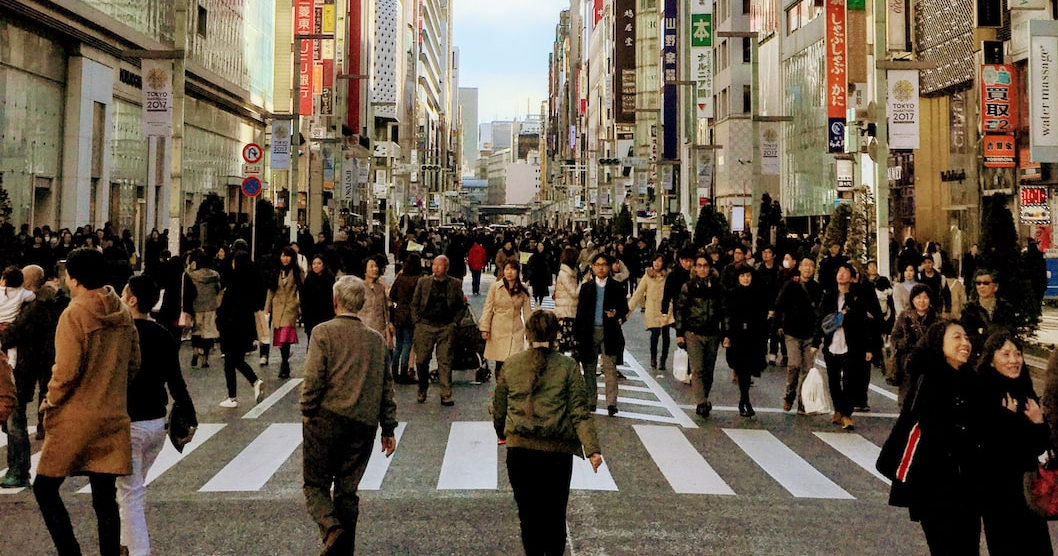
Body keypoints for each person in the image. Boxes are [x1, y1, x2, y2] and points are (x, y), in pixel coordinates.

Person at [34, 248, 141, 556]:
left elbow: (66, 371)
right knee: (104, 497)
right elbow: (134, 362)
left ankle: (70, 552)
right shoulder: (122, 312)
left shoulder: (74, 314)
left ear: (75, 279)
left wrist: (49, 402)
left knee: (45, 488)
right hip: (112, 413)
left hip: (76, 416)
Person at [300, 275, 398, 556]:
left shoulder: (323, 333)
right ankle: (344, 550)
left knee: (315, 484)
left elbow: (313, 379)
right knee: (347, 491)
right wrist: (388, 428)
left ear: (335, 302)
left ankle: (331, 528)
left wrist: (307, 409)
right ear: (361, 303)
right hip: (363, 424)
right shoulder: (376, 340)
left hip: (326, 419)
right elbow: (386, 387)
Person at [492, 310, 603, 556]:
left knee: (528, 515)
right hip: (556, 454)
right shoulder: (568, 367)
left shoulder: (512, 364)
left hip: (520, 450)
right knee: (555, 515)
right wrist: (592, 449)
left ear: (528, 334)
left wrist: (502, 432)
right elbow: (579, 412)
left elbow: (499, 407)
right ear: (556, 336)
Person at [118, 275, 197, 556]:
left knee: (129, 493)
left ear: (132, 300)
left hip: (129, 422)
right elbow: (176, 381)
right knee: (133, 489)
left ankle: (138, 550)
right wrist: (190, 416)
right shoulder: (163, 334)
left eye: (123, 294)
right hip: (156, 424)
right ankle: (126, 543)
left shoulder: (121, 334)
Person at [888, 321, 981, 555]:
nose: (965, 343)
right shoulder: (930, 378)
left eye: (966, 338)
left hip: (967, 485)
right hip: (934, 485)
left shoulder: (970, 378)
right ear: (939, 343)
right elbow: (920, 427)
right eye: (957, 337)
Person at [975, 331, 1053, 555]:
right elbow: (989, 447)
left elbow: (1041, 448)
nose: (1014, 360)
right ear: (991, 360)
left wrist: (1038, 422)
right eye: (1006, 354)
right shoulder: (981, 392)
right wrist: (1007, 418)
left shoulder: (1024, 390)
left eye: (1018, 354)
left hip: (1029, 491)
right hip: (998, 494)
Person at [0, 265, 68, 488]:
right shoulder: (56, 302)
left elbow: (13, 333)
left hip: (22, 368)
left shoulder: (34, 307)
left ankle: (18, 470)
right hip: (45, 363)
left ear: (28, 283)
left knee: (15, 420)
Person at [818, 262, 882, 431]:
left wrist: (869, 348)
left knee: (849, 381)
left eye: (845, 272)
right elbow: (821, 320)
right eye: (839, 271)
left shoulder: (857, 297)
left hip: (852, 345)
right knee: (833, 380)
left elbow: (865, 324)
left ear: (852, 277)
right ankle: (838, 409)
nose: (841, 274)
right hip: (832, 344)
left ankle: (847, 414)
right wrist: (816, 343)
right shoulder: (829, 295)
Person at [575, 253, 629, 417]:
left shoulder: (616, 287)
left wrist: (616, 313)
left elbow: (624, 309)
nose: (601, 268)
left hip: (609, 331)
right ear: (592, 267)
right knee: (589, 368)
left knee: (610, 369)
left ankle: (611, 403)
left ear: (609, 267)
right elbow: (580, 313)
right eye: (597, 265)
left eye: (604, 265)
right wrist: (577, 335)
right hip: (589, 332)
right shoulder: (586, 288)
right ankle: (591, 400)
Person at [410, 255, 465, 406]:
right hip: (425, 325)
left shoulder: (455, 284)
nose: (436, 267)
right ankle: (422, 387)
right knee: (421, 360)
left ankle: (446, 393)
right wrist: (416, 321)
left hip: (446, 326)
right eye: (434, 264)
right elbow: (414, 303)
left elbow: (461, 306)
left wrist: (454, 323)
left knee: (445, 360)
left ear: (446, 268)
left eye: (440, 265)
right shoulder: (423, 282)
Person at [674, 255, 724, 418]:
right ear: (695, 268)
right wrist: (679, 333)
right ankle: (701, 402)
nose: (702, 269)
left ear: (710, 267)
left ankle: (704, 397)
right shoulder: (688, 287)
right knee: (697, 369)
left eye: (705, 265)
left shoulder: (717, 287)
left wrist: (726, 333)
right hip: (693, 332)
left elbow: (724, 311)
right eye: (699, 265)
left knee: (709, 370)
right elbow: (680, 311)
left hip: (712, 333)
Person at [772, 257, 824, 413]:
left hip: (810, 334)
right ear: (799, 267)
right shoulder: (791, 285)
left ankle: (803, 402)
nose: (808, 268)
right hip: (792, 332)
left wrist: (818, 337)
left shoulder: (817, 288)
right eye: (805, 265)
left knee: (808, 369)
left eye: (811, 266)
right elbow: (779, 305)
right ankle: (789, 395)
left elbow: (821, 313)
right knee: (794, 365)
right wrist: (778, 325)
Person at [215, 251, 265, 408]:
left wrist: (220, 321)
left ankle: (234, 396)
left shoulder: (234, 282)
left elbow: (226, 306)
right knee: (236, 360)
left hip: (231, 327)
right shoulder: (253, 281)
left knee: (230, 362)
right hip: (246, 327)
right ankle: (253, 383)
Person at [724, 266, 768, 417]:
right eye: (742, 275)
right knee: (742, 369)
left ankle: (744, 400)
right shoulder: (732, 294)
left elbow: (763, 316)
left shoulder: (758, 293)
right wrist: (727, 335)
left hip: (754, 336)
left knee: (748, 370)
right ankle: (745, 400)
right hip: (737, 336)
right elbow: (727, 316)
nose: (745, 278)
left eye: (748, 275)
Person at [888, 284, 939, 407]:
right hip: (907, 363)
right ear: (912, 299)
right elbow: (894, 337)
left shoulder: (936, 318)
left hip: (929, 365)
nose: (922, 301)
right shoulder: (904, 316)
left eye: (925, 297)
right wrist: (905, 343)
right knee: (906, 399)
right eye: (918, 297)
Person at [480, 260, 532, 380]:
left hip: (516, 328)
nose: (509, 272)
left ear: (517, 272)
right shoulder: (495, 287)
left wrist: (529, 331)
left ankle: (511, 384)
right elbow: (488, 308)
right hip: (498, 329)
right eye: (507, 269)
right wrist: (485, 328)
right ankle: (501, 384)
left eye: (512, 269)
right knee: (500, 361)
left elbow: (527, 312)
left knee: (514, 360)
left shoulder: (523, 289)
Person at [628, 253, 674, 375]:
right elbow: (638, 294)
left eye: (660, 261)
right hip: (652, 309)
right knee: (655, 334)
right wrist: (627, 311)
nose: (657, 263)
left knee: (666, 335)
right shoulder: (647, 276)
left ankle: (663, 359)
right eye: (655, 261)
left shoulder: (668, 276)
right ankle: (653, 357)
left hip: (665, 309)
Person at [263, 246, 304, 379]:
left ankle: (284, 363)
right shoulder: (276, 271)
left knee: (285, 335)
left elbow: (302, 289)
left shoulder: (297, 271)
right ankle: (284, 358)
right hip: (277, 307)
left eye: (288, 256)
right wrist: (267, 307)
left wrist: (300, 305)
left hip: (290, 306)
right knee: (280, 337)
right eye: (283, 256)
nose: (285, 259)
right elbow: (271, 290)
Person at [962, 269, 1017, 356]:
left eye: (986, 283)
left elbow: (1010, 332)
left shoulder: (1005, 308)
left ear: (995, 287)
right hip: (977, 356)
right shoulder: (969, 309)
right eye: (978, 283)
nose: (981, 286)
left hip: (1001, 354)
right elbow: (967, 335)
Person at [389, 252, 422, 384]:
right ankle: (404, 372)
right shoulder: (418, 280)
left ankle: (394, 371)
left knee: (399, 344)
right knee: (408, 344)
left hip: (399, 313)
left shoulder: (400, 278)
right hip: (411, 314)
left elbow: (392, 295)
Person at [187, 249, 222, 369]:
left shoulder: (192, 275)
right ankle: (205, 359)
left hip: (196, 305)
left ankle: (195, 351)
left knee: (196, 330)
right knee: (208, 332)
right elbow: (218, 289)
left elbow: (189, 290)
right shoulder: (215, 275)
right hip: (210, 306)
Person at [358, 254, 395, 349]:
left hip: (379, 329)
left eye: (376, 266)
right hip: (363, 328)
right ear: (365, 271)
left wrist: (388, 325)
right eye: (371, 266)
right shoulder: (359, 287)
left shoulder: (381, 288)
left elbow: (385, 310)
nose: (375, 269)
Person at [553, 246, 581, 357]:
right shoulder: (564, 274)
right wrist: (583, 283)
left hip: (571, 312)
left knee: (572, 345)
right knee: (563, 345)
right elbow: (574, 293)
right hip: (565, 313)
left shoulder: (573, 273)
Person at [301, 254, 336, 342]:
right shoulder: (309, 279)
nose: (316, 266)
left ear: (323, 265)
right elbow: (304, 297)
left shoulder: (329, 278)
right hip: (311, 315)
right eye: (314, 263)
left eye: (319, 263)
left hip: (326, 314)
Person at [527, 242, 553, 309]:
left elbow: (550, 268)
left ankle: (540, 303)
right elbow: (529, 267)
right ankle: (536, 301)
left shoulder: (547, 256)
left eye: (542, 246)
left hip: (543, 277)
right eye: (539, 246)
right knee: (535, 292)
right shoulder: (533, 257)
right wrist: (529, 277)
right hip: (535, 277)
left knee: (542, 292)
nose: (540, 247)